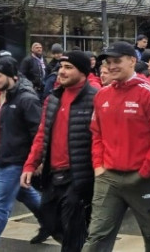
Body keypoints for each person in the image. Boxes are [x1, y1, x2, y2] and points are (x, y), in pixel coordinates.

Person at [83, 41, 150, 252]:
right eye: (109, 62)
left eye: (117, 61)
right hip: (108, 177)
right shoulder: (102, 95)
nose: (111, 66)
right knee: (97, 236)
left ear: (132, 61)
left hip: (142, 178)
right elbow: (96, 133)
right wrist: (98, 166)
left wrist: (146, 170)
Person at [22, 50, 99, 252]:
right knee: (50, 221)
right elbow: (42, 133)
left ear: (83, 72)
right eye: (60, 67)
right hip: (52, 174)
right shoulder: (53, 98)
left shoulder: (95, 98)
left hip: (79, 176)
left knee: (73, 230)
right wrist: (31, 164)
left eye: (68, 67)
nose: (61, 72)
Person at [0, 57, 47, 252]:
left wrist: (37, 161)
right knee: (27, 195)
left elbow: (38, 132)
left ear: (13, 76)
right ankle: (51, 223)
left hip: (16, 160)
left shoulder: (26, 99)